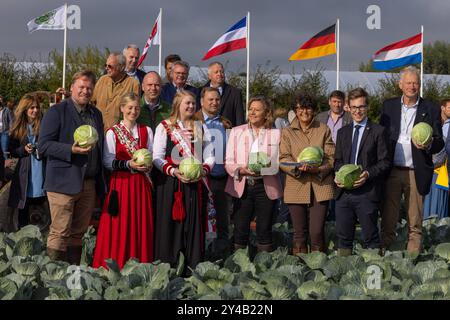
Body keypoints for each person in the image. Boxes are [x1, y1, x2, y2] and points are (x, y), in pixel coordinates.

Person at [38, 70, 106, 264]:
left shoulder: (96, 113)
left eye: (89, 88)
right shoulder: (57, 111)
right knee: (60, 231)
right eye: (81, 87)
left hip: (88, 183)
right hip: (62, 182)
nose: (85, 91)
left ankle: (72, 276)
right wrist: (71, 149)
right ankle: (53, 278)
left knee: (78, 233)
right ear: (72, 88)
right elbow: (43, 145)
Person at [380, 66, 444, 253]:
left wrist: (429, 144)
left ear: (419, 84)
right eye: (408, 82)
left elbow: (439, 141)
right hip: (393, 170)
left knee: (415, 220)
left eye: (415, 82)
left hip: (416, 171)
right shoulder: (388, 106)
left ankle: (412, 258)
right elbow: (382, 137)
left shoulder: (430, 108)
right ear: (400, 85)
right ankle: (385, 253)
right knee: (388, 217)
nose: (412, 86)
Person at [153, 90, 214, 270]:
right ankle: (168, 265)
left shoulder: (201, 127)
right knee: (169, 225)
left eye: (193, 103)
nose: (191, 106)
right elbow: (157, 156)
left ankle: (191, 265)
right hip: (171, 183)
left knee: (193, 225)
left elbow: (210, 155)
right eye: (187, 103)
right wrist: (173, 171)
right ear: (177, 105)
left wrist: (202, 171)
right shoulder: (164, 127)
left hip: (195, 184)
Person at [93, 93, 154, 269]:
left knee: (139, 225)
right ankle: (117, 263)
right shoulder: (113, 132)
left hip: (141, 185)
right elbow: (107, 160)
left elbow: (150, 155)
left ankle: (140, 263)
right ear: (122, 108)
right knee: (120, 225)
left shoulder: (146, 131)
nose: (133, 111)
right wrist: (129, 164)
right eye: (129, 107)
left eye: (136, 108)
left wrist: (147, 166)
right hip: (121, 184)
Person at [334, 88, 390, 256]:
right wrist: (338, 176)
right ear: (348, 108)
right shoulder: (342, 132)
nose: (357, 111)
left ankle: (374, 277)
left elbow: (385, 161)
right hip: (344, 193)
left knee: (371, 238)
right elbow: (338, 161)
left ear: (367, 107)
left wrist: (367, 174)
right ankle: (343, 275)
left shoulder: (378, 131)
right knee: (343, 238)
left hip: (367, 193)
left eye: (361, 107)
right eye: (354, 107)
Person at [225, 96, 282, 252]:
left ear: (266, 113)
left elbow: (278, 161)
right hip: (242, 186)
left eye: (257, 110)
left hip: (266, 187)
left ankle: (264, 268)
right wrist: (241, 170)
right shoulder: (237, 132)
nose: (252, 112)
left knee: (264, 230)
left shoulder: (276, 134)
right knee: (240, 230)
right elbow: (228, 161)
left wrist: (265, 168)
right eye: (250, 109)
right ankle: (239, 267)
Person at [279, 95, 335, 254]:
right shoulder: (287, 132)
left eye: (308, 108)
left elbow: (330, 157)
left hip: (320, 185)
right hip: (296, 185)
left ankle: (318, 268)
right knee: (299, 233)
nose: (304, 111)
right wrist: (296, 167)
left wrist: (317, 169)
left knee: (316, 232)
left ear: (314, 110)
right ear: (295, 111)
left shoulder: (323, 129)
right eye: (300, 108)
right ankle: (299, 269)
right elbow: (283, 157)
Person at [195, 87, 232, 256]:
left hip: (222, 178)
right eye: (210, 99)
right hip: (202, 179)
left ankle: (222, 255)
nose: (214, 102)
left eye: (217, 99)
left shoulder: (225, 123)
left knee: (223, 219)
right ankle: (202, 253)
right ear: (202, 101)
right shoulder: (194, 122)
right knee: (202, 219)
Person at [7, 93, 47, 229]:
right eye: (31, 108)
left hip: (41, 169)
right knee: (23, 204)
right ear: (25, 109)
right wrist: (23, 149)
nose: (35, 110)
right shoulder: (17, 128)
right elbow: (12, 150)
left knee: (43, 204)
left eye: (36, 107)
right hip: (25, 171)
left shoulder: (44, 125)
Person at [91, 52, 140, 131]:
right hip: (98, 132)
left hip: (120, 134)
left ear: (121, 67)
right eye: (105, 65)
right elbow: (91, 102)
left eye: (110, 66)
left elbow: (135, 111)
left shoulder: (133, 84)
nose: (107, 68)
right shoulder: (102, 80)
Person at [423, 98, 450, 219]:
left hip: (440, 170)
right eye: (449, 107)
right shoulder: (435, 123)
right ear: (442, 108)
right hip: (432, 169)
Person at [200, 62, 245, 127]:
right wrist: (198, 135)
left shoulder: (235, 92)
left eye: (222, 72)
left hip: (228, 133)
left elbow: (239, 118)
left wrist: (239, 134)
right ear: (209, 76)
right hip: (204, 133)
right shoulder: (199, 91)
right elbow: (197, 116)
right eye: (216, 72)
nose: (219, 74)